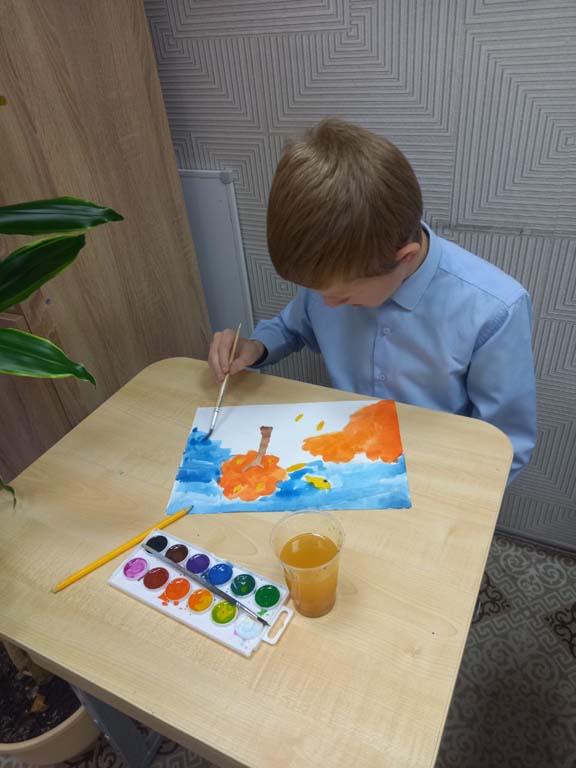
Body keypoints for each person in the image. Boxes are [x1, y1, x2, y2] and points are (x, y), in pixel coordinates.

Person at [208, 119, 536, 482]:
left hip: (434, 475)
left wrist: (445, 497)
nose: (326, 305)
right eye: (318, 292)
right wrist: (255, 348)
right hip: (342, 460)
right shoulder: (339, 270)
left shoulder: (494, 311)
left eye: (342, 296)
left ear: (405, 258)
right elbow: (291, 327)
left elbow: (505, 446)